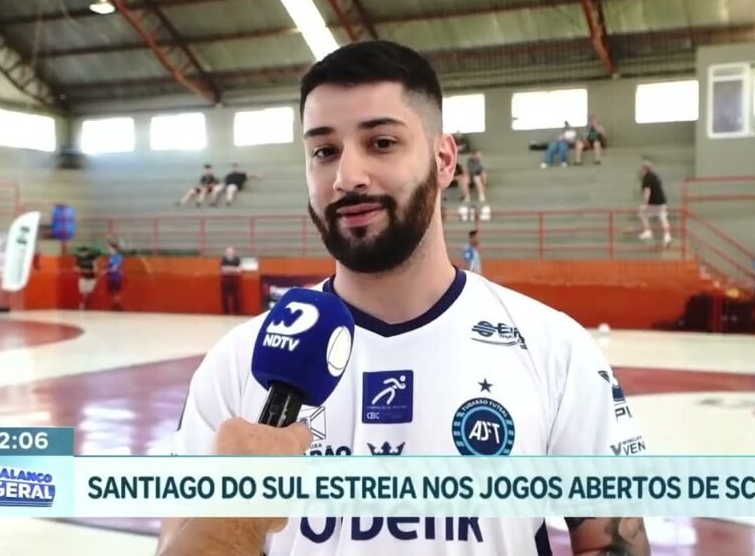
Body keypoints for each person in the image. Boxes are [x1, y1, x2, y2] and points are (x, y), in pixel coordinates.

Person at [159, 40, 649, 556]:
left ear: (444, 159)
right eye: (324, 151)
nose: (347, 177)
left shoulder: (554, 349)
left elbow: (613, 543)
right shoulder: (238, 362)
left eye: (382, 142)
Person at [637, 157, 672, 247]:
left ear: (644, 169)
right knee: (663, 218)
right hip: (661, 201)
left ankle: (648, 231)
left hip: (654, 203)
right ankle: (667, 236)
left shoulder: (647, 177)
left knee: (642, 212)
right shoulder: (655, 175)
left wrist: (646, 204)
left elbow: (647, 191)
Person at [74, 245, 100, 310]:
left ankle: (83, 305)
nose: (81, 254)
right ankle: (84, 305)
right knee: (83, 292)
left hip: (91, 278)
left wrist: (88, 271)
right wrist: (81, 270)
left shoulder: (92, 258)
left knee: (89, 293)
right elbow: (76, 268)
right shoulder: (79, 258)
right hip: (83, 277)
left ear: (86, 252)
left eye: (82, 252)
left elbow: (95, 269)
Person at [219, 247, 242, 315]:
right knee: (225, 297)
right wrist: (234, 269)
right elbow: (223, 269)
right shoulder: (224, 259)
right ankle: (226, 312)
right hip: (225, 281)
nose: (230, 253)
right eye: (228, 252)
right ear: (226, 253)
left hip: (235, 281)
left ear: (234, 252)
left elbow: (239, 270)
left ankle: (236, 312)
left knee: (236, 296)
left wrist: (228, 268)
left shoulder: (237, 259)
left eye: (231, 252)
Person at [105, 242, 123, 311]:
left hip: (116, 277)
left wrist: (106, 271)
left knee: (116, 292)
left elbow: (114, 268)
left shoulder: (117, 257)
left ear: (114, 249)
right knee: (113, 292)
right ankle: (115, 305)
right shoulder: (111, 257)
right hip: (111, 277)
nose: (109, 250)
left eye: (110, 249)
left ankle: (117, 305)